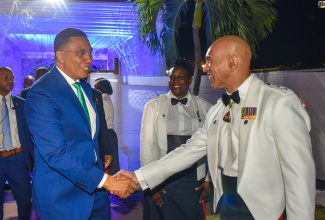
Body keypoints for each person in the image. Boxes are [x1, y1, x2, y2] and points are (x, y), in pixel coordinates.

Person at [119, 35, 316, 220]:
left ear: (232, 62)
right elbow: (187, 151)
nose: (205, 68)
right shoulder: (217, 110)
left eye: (210, 60)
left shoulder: (277, 102)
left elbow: (299, 177)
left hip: (264, 211)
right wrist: (139, 177)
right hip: (227, 204)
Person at [24, 28, 137, 219]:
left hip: (97, 194)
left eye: (90, 52)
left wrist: (100, 153)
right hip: (62, 198)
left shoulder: (84, 87)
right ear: (60, 56)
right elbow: (55, 153)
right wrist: (107, 181)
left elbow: (85, 133)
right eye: (81, 53)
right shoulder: (41, 93)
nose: (89, 59)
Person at [140, 58, 212, 220]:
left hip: (192, 178)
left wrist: (209, 178)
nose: (175, 81)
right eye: (172, 77)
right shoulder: (153, 106)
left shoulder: (204, 106)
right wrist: (151, 182)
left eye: (181, 77)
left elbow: (212, 146)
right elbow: (147, 147)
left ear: (189, 80)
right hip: (162, 178)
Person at [0, 67, 34, 220]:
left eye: (12, 77)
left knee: (25, 201)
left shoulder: (22, 104)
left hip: (18, 158)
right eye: (5, 77)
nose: (10, 80)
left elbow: (29, 133)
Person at [94, 78, 120, 175]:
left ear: (101, 88)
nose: (94, 88)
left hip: (106, 135)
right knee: (111, 166)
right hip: (109, 134)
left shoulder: (102, 99)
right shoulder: (106, 98)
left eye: (96, 86)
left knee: (108, 166)